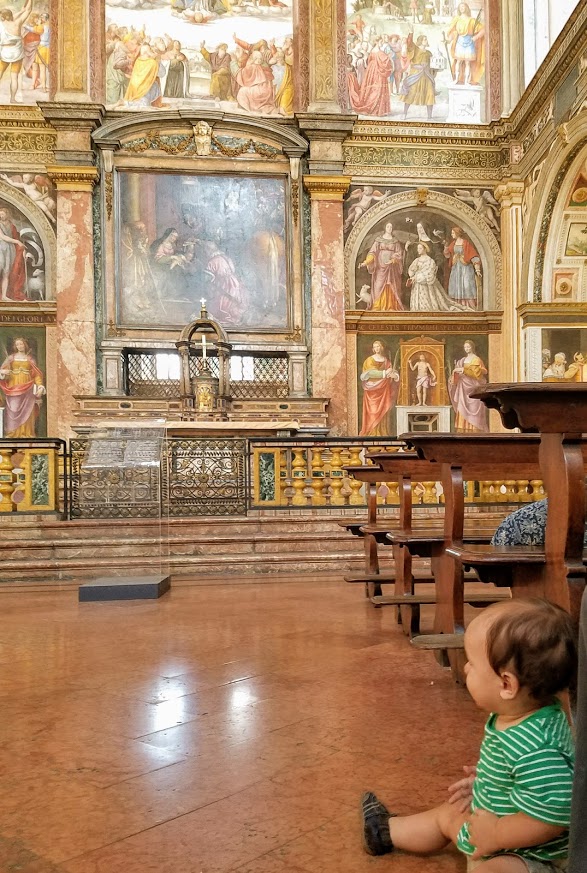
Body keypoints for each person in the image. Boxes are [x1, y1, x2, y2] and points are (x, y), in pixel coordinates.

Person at [361, 597, 577, 872]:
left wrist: (496, 833)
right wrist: (489, 782)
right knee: (448, 813)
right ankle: (385, 830)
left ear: (507, 684)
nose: (465, 668)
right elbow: (522, 777)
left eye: (472, 663)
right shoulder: (518, 715)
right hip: (490, 827)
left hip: (532, 856)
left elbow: (554, 814)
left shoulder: (538, 748)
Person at [0, 336, 45, 437]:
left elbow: (36, 374)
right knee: (13, 409)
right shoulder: (11, 358)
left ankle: (26, 433)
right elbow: (3, 371)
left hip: (27, 386)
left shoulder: (30, 359)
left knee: (28, 410)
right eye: (17, 344)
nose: (20, 346)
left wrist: (40, 386)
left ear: (25, 345)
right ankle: (12, 434)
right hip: (13, 385)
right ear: (15, 346)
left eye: (21, 344)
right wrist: (4, 372)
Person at [407, 241, 467, 311]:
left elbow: (430, 272)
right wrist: (412, 276)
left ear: (425, 249)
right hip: (417, 285)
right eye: (418, 248)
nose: (418, 250)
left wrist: (417, 277)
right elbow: (411, 269)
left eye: (420, 248)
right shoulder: (417, 260)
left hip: (426, 284)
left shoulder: (430, 261)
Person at [359, 221, 405, 311]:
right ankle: (378, 306)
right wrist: (366, 262)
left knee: (391, 285)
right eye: (388, 226)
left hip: (392, 268)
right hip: (380, 267)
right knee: (378, 285)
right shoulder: (378, 240)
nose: (389, 228)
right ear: (385, 228)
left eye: (391, 227)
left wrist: (393, 260)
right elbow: (372, 252)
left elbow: (399, 253)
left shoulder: (395, 241)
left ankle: (391, 306)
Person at [359, 340, 400, 436]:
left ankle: (383, 433)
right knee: (373, 412)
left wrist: (395, 376)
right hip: (372, 391)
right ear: (373, 349)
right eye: (375, 347)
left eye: (378, 346)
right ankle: (371, 433)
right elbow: (370, 373)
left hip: (384, 391)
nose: (377, 348)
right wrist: (385, 373)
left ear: (382, 347)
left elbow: (393, 372)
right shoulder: (369, 360)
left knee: (384, 412)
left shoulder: (386, 361)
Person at [449, 339, 489, 433]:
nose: (466, 349)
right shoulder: (462, 360)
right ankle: (463, 431)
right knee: (462, 408)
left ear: (472, 347)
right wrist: (454, 376)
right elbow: (456, 374)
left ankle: (475, 431)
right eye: (465, 347)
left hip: (473, 387)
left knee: (474, 407)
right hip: (463, 388)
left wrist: (463, 370)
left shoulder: (476, 359)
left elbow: (477, 375)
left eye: (468, 347)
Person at [0, 0, 33, 103]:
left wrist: (20, 11)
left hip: (5, 52)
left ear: (3, 17)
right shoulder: (17, 23)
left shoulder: (1, 24)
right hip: (16, 53)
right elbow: (28, 10)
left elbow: (9, 16)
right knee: (14, 77)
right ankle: (13, 99)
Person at [447, 1, 485, 86]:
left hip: (469, 42)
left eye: (463, 7)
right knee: (458, 61)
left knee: (468, 63)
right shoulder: (457, 19)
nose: (462, 8)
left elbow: (483, 30)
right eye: (460, 7)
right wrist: (448, 39)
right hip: (460, 42)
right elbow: (453, 31)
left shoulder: (472, 20)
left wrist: (476, 37)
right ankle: (456, 79)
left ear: (466, 8)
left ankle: (466, 81)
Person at [444, 225, 482, 309]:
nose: (452, 234)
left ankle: (469, 307)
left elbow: (473, 256)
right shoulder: (453, 244)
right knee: (455, 285)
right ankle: (457, 306)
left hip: (466, 268)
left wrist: (477, 270)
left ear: (457, 233)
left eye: (453, 233)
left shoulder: (465, 243)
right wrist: (446, 246)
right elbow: (447, 255)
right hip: (456, 268)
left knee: (467, 286)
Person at [400, 31, 435, 120]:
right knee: (411, 94)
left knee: (430, 93)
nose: (426, 41)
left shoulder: (429, 53)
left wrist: (436, 69)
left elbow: (432, 65)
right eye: (425, 39)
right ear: (420, 41)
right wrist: (411, 33)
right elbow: (409, 43)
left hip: (426, 76)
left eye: (426, 39)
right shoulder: (415, 49)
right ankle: (404, 113)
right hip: (415, 75)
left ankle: (430, 116)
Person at [0, 206, 26, 301]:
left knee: (6, 273)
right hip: (1, 248)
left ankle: (3, 296)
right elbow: (2, 237)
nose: (1, 216)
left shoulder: (12, 226)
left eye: (2, 214)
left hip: (9, 250)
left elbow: (17, 238)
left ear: (7, 215)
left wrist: (22, 251)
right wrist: (17, 242)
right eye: (0, 214)